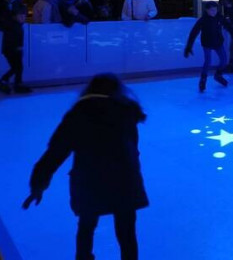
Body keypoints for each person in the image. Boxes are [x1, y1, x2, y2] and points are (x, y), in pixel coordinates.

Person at [24, 74, 148, 260]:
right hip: (124, 181)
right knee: (127, 231)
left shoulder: (78, 114)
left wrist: (38, 184)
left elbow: (55, 153)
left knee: (86, 226)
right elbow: (133, 150)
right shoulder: (126, 113)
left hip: (90, 181)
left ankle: (84, 257)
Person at [184, 2, 231, 91]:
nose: (214, 12)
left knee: (224, 60)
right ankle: (203, 79)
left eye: (215, 10)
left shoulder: (219, 17)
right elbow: (194, 33)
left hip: (218, 43)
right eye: (212, 10)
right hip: (207, 43)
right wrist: (189, 46)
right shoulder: (203, 20)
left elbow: (228, 26)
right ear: (207, 10)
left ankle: (218, 75)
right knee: (208, 61)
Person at [0, 5, 31, 94]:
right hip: (11, 50)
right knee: (16, 67)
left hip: (15, 50)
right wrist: (17, 47)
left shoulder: (17, 25)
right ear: (14, 16)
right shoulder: (11, 25)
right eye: (21, 16)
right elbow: (3, 28)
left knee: (18, 67)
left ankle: (17, 83)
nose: (23, 18)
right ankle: (4, 81)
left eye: (24, 16)